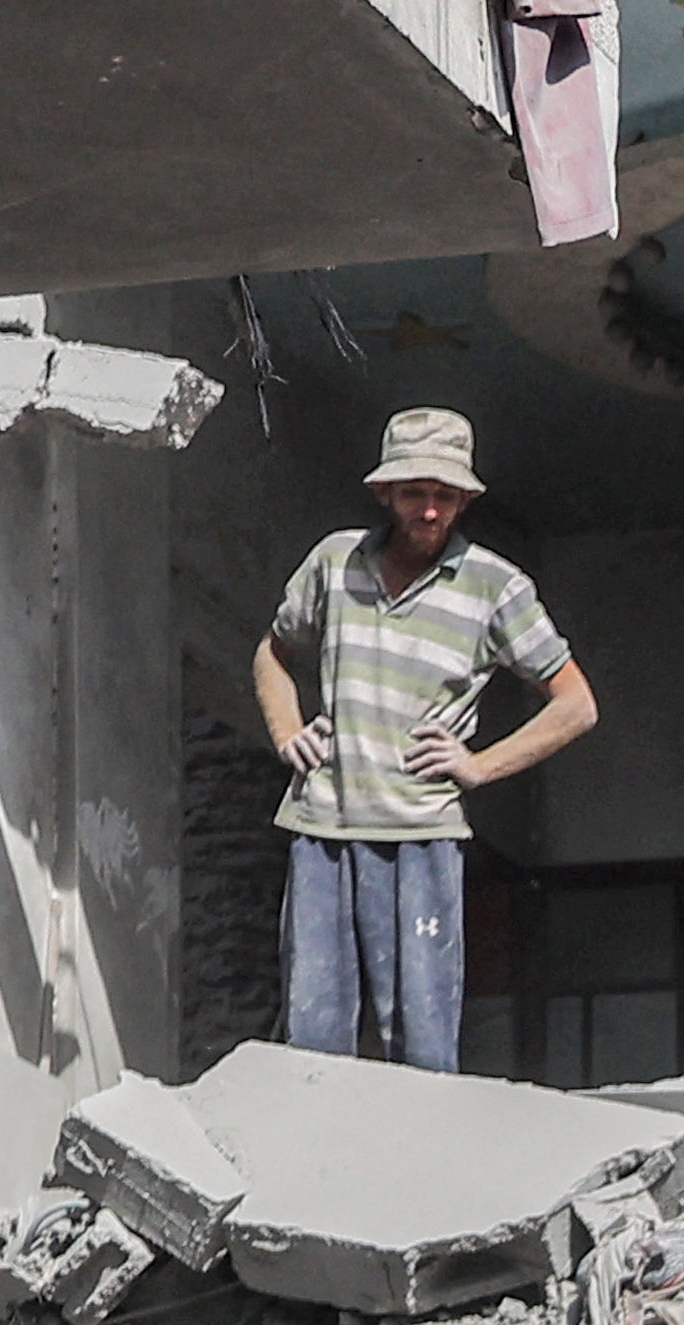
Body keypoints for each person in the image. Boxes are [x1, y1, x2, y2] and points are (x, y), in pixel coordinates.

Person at [253, 408, 601, 1072]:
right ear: (386, 492)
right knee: (313, 1032)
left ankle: (415, 1168)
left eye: (445, 496)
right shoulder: (334, 561)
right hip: (325, 825)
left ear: (466, 499)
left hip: (420, 835)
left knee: (421, 1042)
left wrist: (479, 766)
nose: (431, 511)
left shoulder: (496, 586)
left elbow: (576, 705)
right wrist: (287, 731)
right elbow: (272, 652)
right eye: (416, 492)